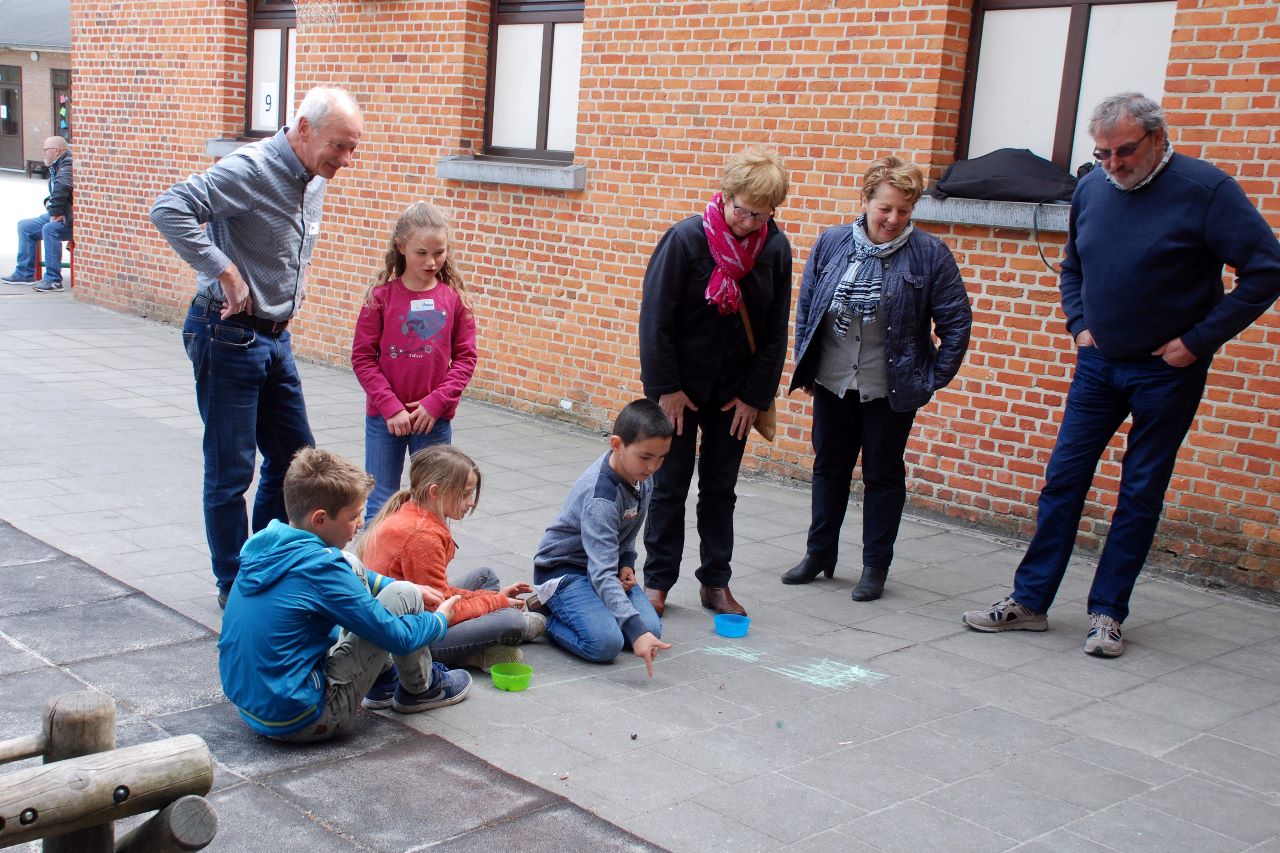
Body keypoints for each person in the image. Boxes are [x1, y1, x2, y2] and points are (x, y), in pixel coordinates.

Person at [962, 93, 1280, 657]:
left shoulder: (1206, 191)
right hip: (1098, 365)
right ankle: (1030, 601)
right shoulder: (1093, 187)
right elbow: (1073, 265)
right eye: (1102, 153)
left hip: (1166, 372)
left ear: (1157, 139)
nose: (1113, 164)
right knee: (1063, 481)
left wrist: (1198, 341)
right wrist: (1080, 325)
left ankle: (1107, 613)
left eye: (1124, 152)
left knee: (1139, 491)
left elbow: (1265, 270)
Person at [150, 86, 363, 610]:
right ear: (304, 128)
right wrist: (222, 269)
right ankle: (235, 585)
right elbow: (169, 207)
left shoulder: (314, 178)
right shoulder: (250, 167)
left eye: (353, 147)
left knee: (296, 462)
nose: (347, 159)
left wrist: (294, 283)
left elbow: (297, 241)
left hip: (273, 337)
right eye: (339, 146)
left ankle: (265, 562)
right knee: (231, 471)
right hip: (226, 334)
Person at [783, 156, 971, 601]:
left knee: (883, 475)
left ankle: (874, 566)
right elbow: (808, 309)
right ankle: (819, 553)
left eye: (904, 211)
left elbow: (956, 322)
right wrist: (807, 365)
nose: (893, 219)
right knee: (829, 468)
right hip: (833, 382)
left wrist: (930, 378)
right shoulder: (831, 243)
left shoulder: (929, 255)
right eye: (885, 208)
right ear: (865, 200)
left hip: (889, 389)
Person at [218, 448, 471, 742]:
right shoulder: (322, 569)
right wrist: (439, 621)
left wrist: (398, 584)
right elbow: (396, 636)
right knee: (404, 596)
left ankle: (382, 680)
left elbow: (346, 572)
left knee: (352, 563)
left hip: (254, 707)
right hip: (305, 719)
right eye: (354, 516)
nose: (361, 523)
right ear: (320, 519)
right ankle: (422, 689)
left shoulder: (268, 544)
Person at [638, 147, 793, 617]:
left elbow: (774, 330)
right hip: (678, 393)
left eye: (758, 214)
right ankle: (657, 582)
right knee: (669, 486)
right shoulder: (685, 240)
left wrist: (754, 395)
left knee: (720, 489)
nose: (746, 221)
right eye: (740, 209)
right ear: (725, 196)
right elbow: (656, 319)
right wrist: (667, 389)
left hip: (734, 397)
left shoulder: (774, 249)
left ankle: (716, 582)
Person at [358, 445, 544, 672]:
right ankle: (464, 653)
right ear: (435, 491)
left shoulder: (415, 510)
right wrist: (497, 602)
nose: (471, 502)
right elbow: (443, 611)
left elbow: (438, 593)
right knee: (512, 621)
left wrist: (490, 597)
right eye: (465, 494)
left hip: (418, 612)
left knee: (485, 577)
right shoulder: (422, 536)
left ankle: (475, 649)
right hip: (407, 639)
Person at [352, 202, 478, 521]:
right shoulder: (379, 298)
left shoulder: (455, 300)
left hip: (432, 421)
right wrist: (390, 406)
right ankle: (376, 568)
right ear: (401, 247)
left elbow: (465, 360)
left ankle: (426, 569)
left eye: (439, 252)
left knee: (434, 503)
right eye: (421, 252)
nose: (431, 261)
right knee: (382, 500)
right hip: (385, 419)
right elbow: (363, 358)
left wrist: (436, 404)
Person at [531, 399, 673, 675]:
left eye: (661, 457)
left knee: (650, 628)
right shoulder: (601, 498)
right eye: (646, 457)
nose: (654, 466)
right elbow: (600, 572)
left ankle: (594, 611)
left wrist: (627, 563)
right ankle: (543, 617)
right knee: (606, 644)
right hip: (565, 572)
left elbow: (627, 532)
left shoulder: (643, 476)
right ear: (617, 445)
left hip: (603, 565)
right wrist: (634, 629)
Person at [3, 137, 73, 292]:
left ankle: (53, 280)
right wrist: (49, 203)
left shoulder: (67, 164)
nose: (43, 154)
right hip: (60, 213)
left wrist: (55, 211)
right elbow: (56, 192)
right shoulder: (57, 166)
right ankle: (25, 274)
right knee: (25, 226)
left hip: (70, 220)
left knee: (50, 229)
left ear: (56, 151)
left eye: (45, 150)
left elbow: (62, 187)